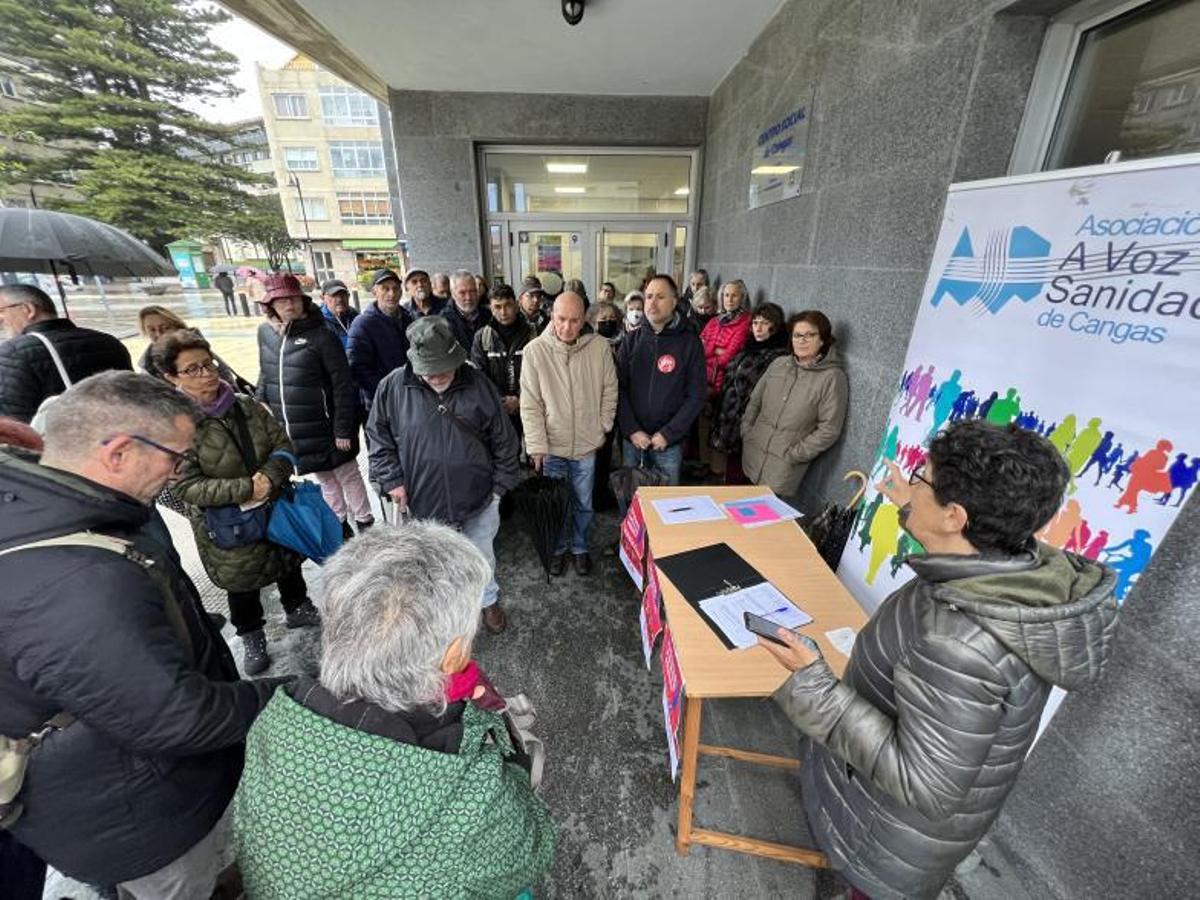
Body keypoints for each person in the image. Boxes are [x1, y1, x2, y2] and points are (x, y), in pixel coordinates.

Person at [762, 420, 1120, 899]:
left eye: (921, 479)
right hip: (890, 821)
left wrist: (814, 682)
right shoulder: (1010, 569)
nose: (911, 485)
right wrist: (909, 507)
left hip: (888, 841)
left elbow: (925, 786)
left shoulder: (960, 644)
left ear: (954, 516)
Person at [0, 371, 278, 898]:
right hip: (137, 817)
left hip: (95, 794)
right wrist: (287, 694)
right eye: (174, 458)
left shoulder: (41, 510)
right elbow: (178, 716)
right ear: (119, 452)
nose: (176, 475)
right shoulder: (77, 581)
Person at [232, 524, 556, 897]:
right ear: (454, 657)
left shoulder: (273, 723)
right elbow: (536, 846)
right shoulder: (473, 797)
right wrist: (512, 769)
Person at [160, 328, 322, 673]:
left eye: (209, 363)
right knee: (242, 582)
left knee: (287, 560)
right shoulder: (173, 426)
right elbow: (185, 487)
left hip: (275, 503)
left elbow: (284, 445)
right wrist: (246, 489)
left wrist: (270, 477)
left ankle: (298, 606)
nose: (207, 374)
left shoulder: (246, 406)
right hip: (227, 524)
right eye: (193, 369)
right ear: (171, 377)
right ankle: (251, 635)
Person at [368, 316, 519, 634]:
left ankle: (486, 600)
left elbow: (505, 439)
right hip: (423, 501)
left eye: (444, 367)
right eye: (429, 369)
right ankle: (444, 616)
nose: (437, 376)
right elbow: (378, 439)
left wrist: (499, 489)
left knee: (480, 558)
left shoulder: (478, 383)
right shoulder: (393, 386)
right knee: (432, 565)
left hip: (479, 497)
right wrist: (392, 480)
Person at [255, 273, 373, 540]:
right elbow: (266, 371)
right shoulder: (265, 333)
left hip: (327, 424)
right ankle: (339, 523)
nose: (289, 304)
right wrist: (261, 400)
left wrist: (343, 429)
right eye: (282, 300)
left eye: (294, 298)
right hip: (293, 427)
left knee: (347, 473)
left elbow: (343, 384)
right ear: (270, 304)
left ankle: (365, 521)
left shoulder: (322, 335)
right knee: (325, 478)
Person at [521, 292, 618, 576]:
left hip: (587, 445)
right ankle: (559, 548)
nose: (567, 327)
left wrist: (603, 425)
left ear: (584, 319)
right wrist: (536, 446)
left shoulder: (600, 347)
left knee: (584, 503)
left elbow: (610, 390)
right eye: (561, 319)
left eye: (574, 320)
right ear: (552, 316)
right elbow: (530, 403)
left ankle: (579, 547)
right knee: (557, 505)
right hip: (552, 445)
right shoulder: (535, 351)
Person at [741, 310, 848, 497]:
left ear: (822, 339)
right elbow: (755, 401)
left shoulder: (832, 377)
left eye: (810, 335)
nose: (802, 340)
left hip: (782, 467)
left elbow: (829, 429)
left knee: (764, 520)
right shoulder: (779, 364)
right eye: (797, 335)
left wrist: (795, 454)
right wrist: (747, 431)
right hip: (753, 453)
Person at [616, 274, 706, 485]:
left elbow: (696, 396)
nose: (652, 303)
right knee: (633, 502)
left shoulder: (690, 344)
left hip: (668, 444)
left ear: (674, 302)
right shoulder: (631, 341)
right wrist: (632, 430)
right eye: (648, 296)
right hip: (634, 442)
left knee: (665, 506)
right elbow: (618, 389)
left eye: (660, 297)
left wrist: (668, 434)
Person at [0, 284, 131, 423]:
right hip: (122, 435)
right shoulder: (109, 341)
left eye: (1, 311)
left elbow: (15, 422)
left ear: (28, 309)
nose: (1, 319)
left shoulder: (12, 353)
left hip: (62, 440)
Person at [709, 302, 787, 483]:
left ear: (775, 326)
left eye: (765, 323)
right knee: (728, 470)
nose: (758, 328)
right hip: (728, 416)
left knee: (740, 473)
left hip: (747, 422)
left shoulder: (777, 356)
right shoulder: (748, 347)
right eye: (755, 322)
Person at [699, 279, 752, 477]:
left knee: (720, 427)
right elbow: (700, 347)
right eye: (726, 295)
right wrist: (714, 351)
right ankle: (705, 463)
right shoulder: (715, 320)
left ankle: (716, 470)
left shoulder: (746, 322)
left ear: (742, 298)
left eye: (734, 295)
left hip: (726, 383)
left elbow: (727, 357)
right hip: (704, 380)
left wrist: (710, 352)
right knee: (703, 423)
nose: (729, 299)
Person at [470, 283, 536, 437]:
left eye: (508, 305)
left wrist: (520, 400)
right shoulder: (482, 337)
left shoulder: (532, 334)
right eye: (497, 307)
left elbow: (541, 373)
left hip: (530, 408)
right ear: (490, 308)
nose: (503, 312)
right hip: (496, 410)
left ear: (517, 304)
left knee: (533, 454)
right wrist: (501, 401)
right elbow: (478, 376)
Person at [136, 305, 251, 391]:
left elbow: (229, 384)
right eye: (152, 329)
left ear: (177, 327)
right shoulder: (147, 368)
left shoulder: (201, 352)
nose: (159, 333)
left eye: (165, 327)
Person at [347, 268, 413, 409]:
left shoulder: (409, 319)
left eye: (396, 288)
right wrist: (388, 391)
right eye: (385, 289)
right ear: (374, 292)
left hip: (410, 398)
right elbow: (357, 367)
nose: (392, 294)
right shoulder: (363, 324)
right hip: (379, 402)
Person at [443, 268, 494, 353]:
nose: (468, 297)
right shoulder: (443, 322)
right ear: (453, 293)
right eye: (462, 293)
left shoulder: (489, 316)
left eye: (472, 291)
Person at [319, 278, 359, 351]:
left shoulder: (354, 315)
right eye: (334, 295)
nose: (340, 299)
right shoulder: (318, 321)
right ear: (323, 298)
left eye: (343, 295)